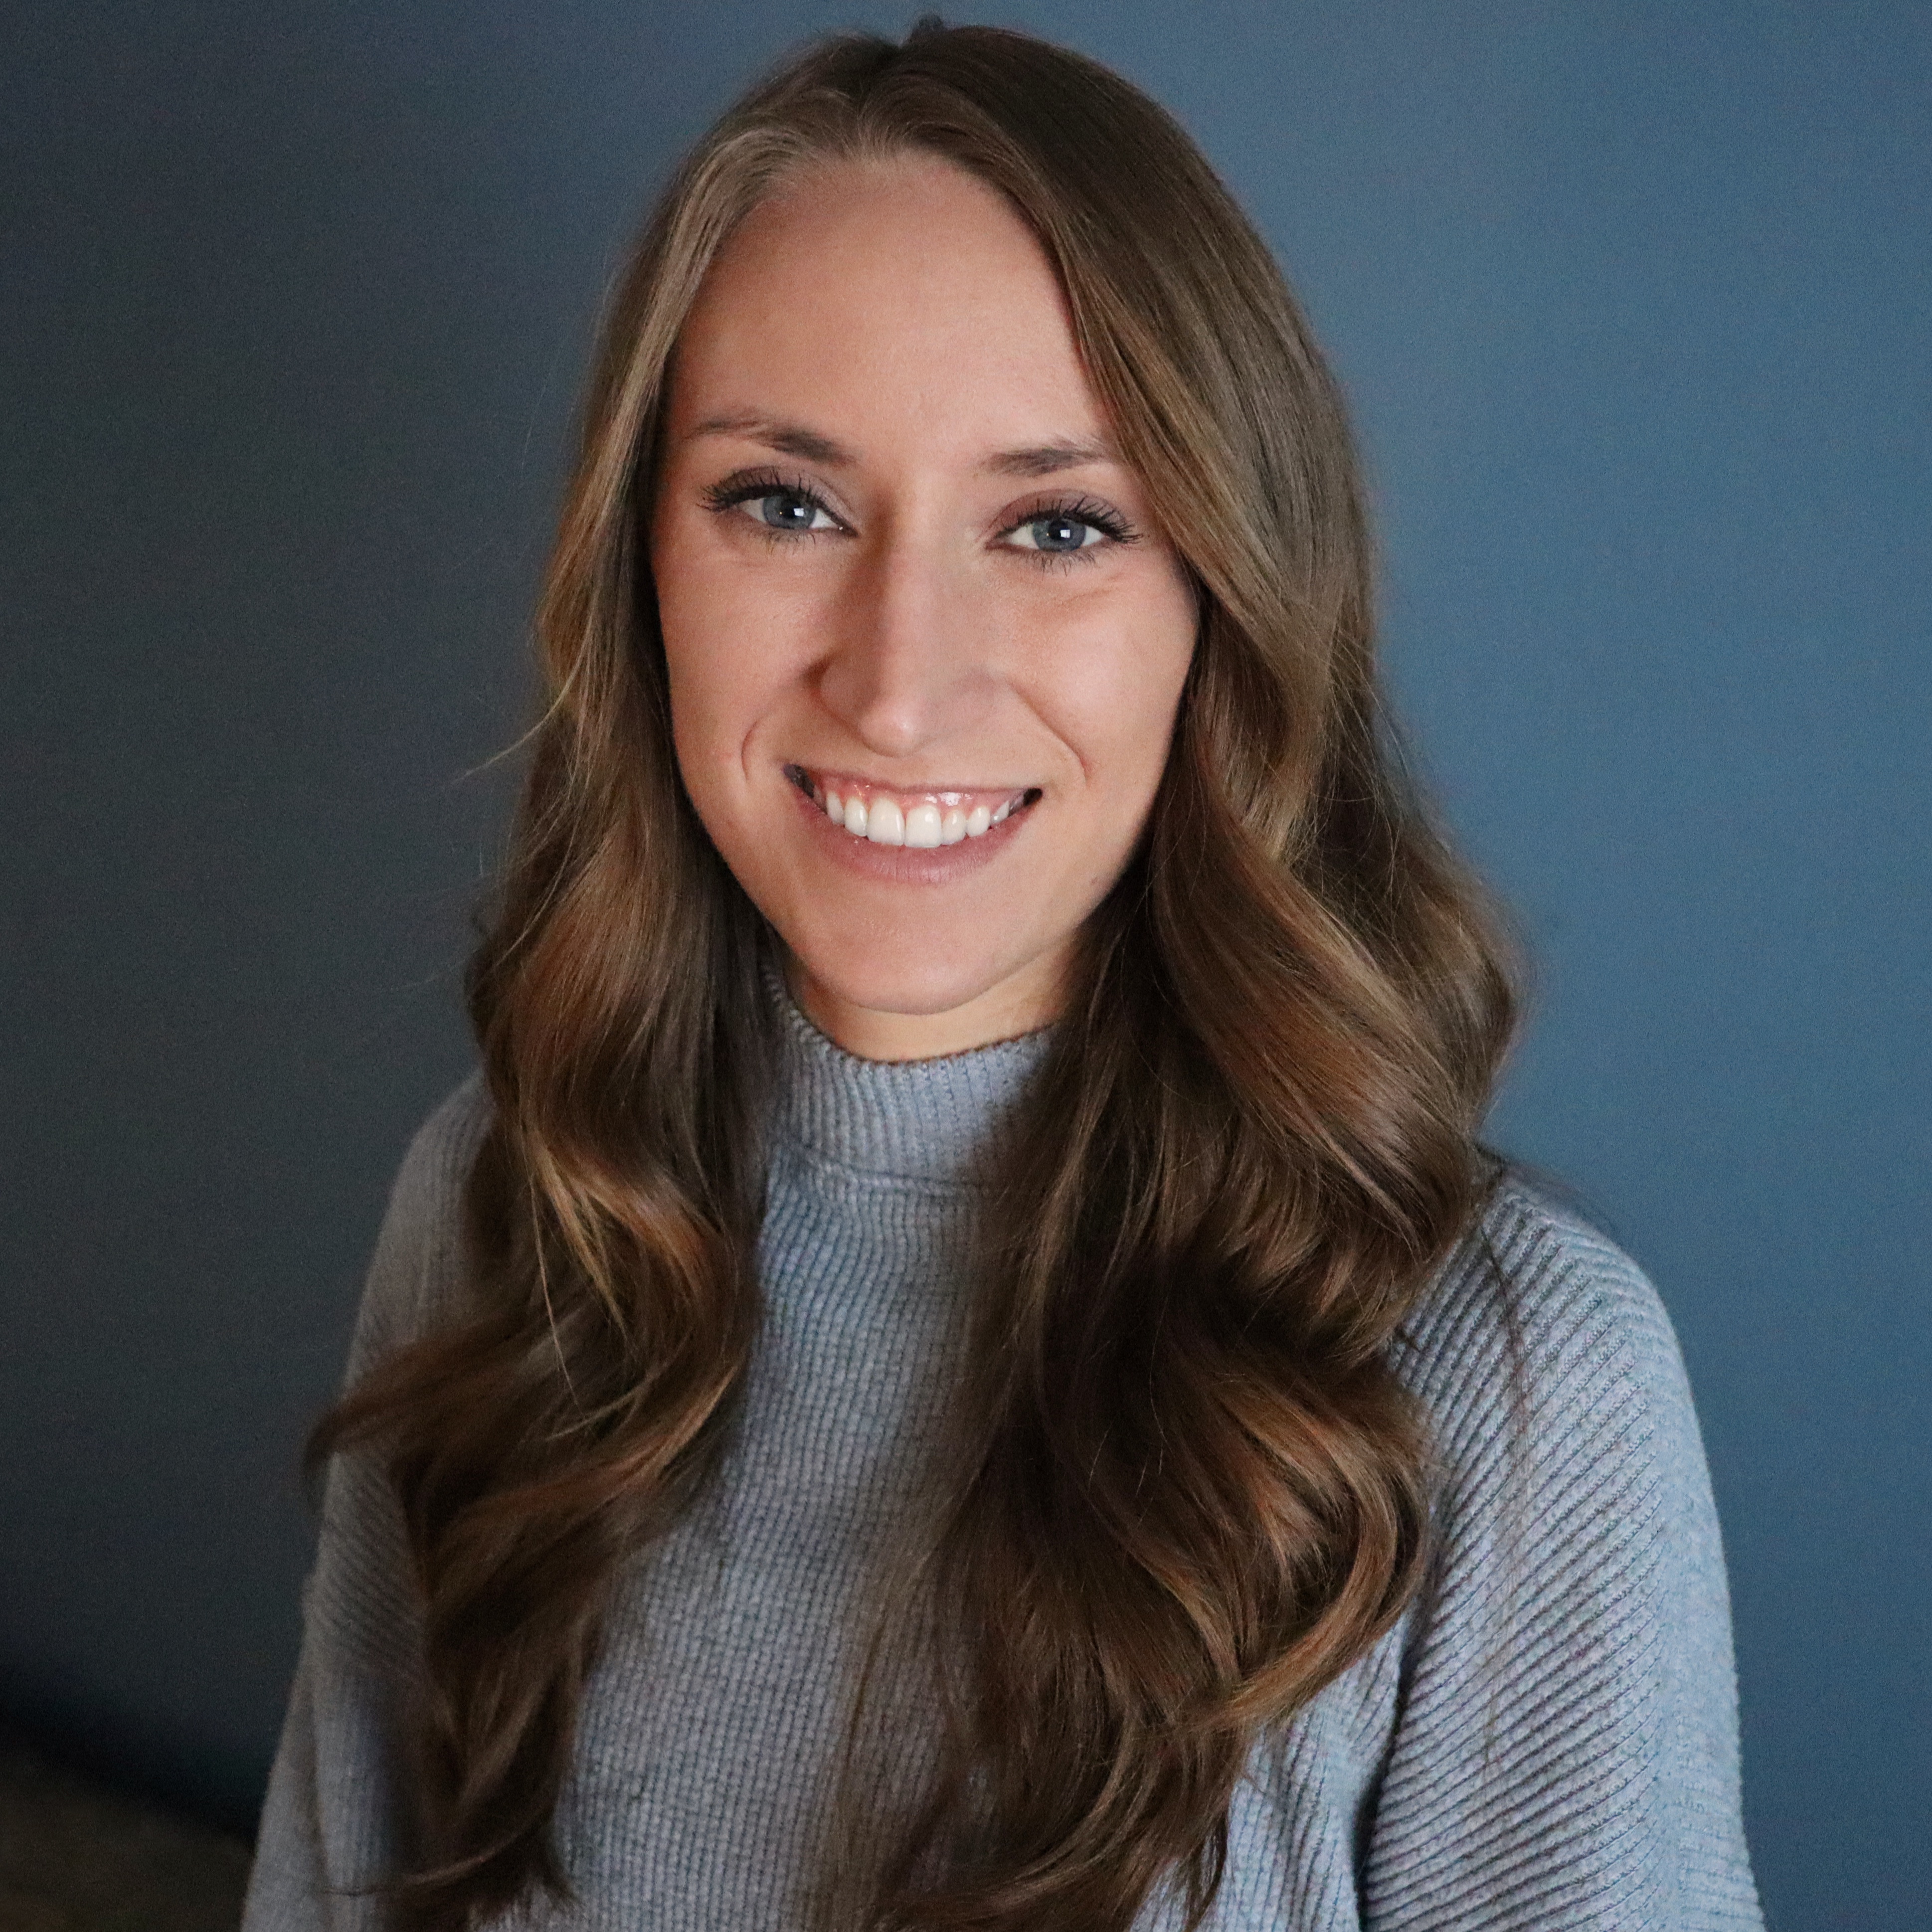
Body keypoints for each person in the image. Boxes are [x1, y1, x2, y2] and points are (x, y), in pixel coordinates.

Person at [242, 21, 1761, 1932]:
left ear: (1223, 594)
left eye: (1057, 527)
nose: (897, 680)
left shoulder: (1504, 1379)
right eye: (784, 503)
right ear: (640, 560)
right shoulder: (504, 1209)